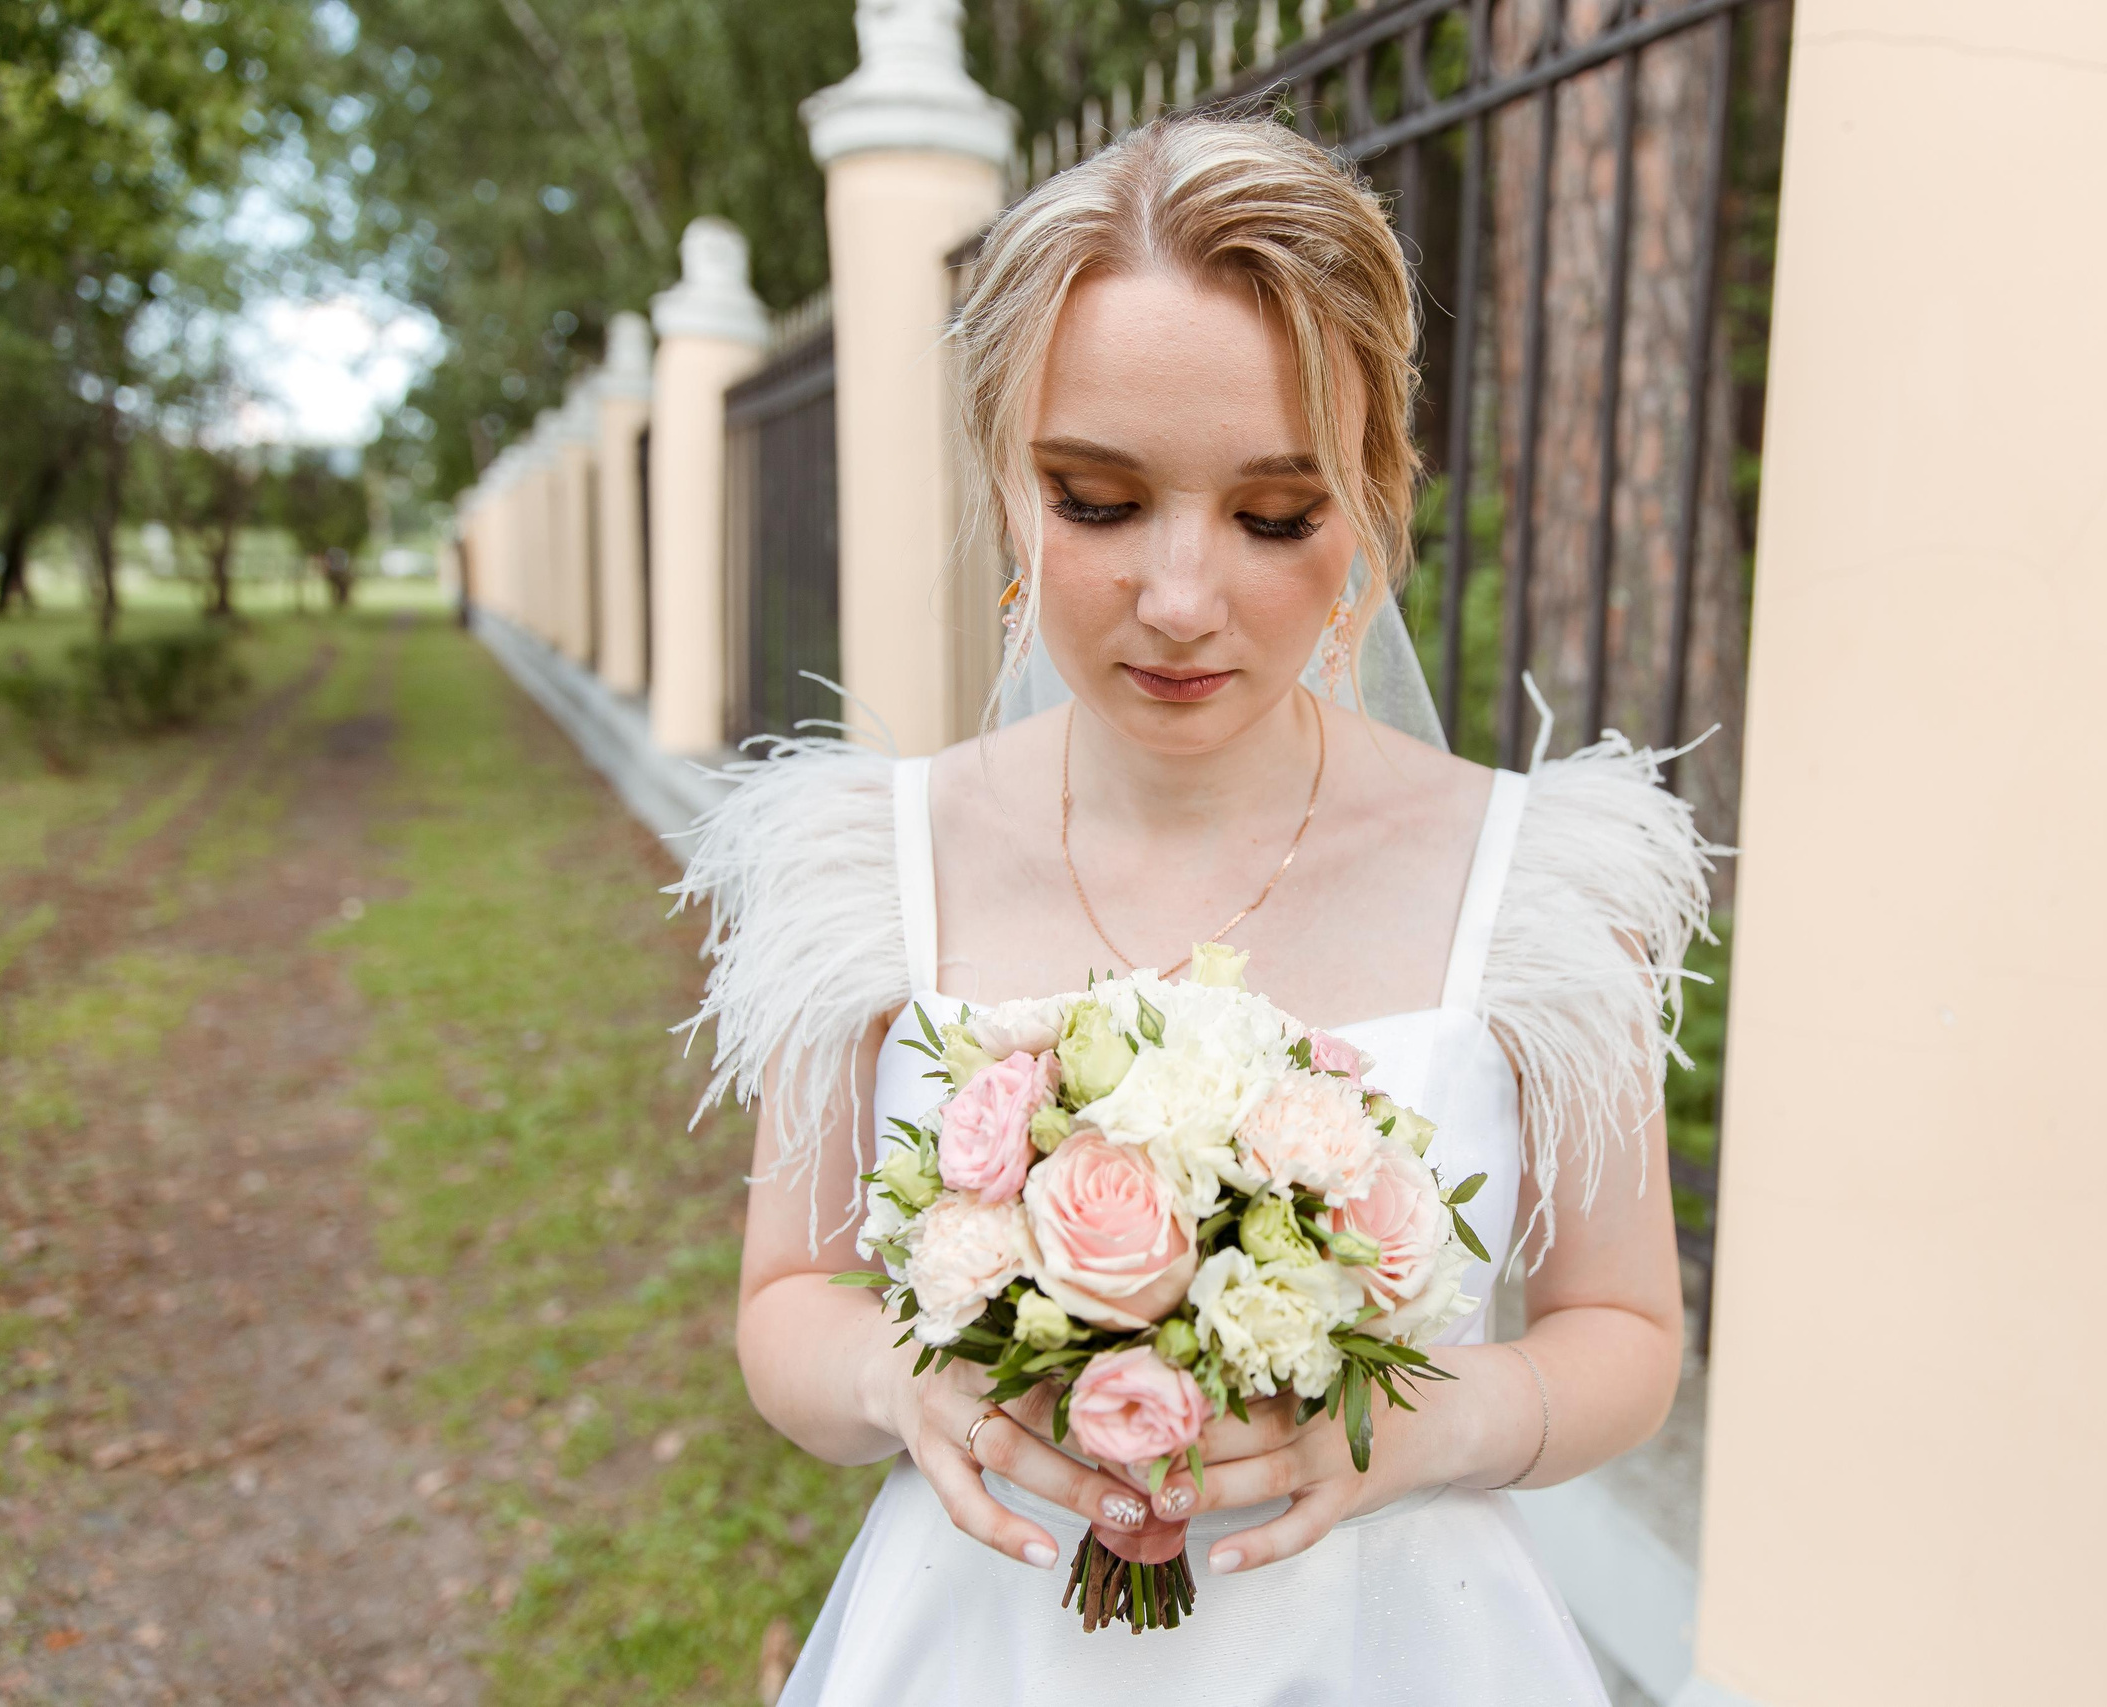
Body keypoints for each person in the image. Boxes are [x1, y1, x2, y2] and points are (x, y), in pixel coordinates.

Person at [677, 113, 1719, 1706]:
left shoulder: (1541, 891)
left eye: (1274, 515)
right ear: (1007, 488)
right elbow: (784, 1310)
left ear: (1370, 501)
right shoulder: (862, 870)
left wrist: (1432, 1420)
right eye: (1097, 501)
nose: (1179, 598)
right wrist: (915, 1386)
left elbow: (1625, 1330)